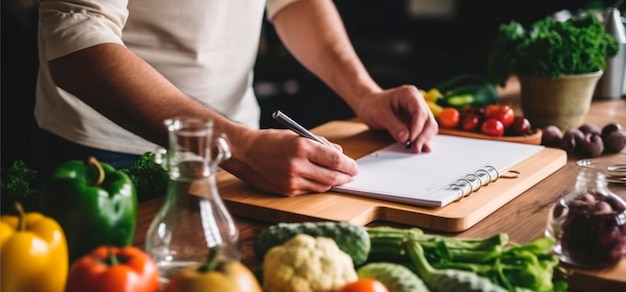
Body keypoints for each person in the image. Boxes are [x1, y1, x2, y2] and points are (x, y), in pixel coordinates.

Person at [34, 0, 438, 197]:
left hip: (238, 152)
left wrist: (365, 94)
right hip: (108, 154)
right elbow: (76, 37)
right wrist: (238, 146)